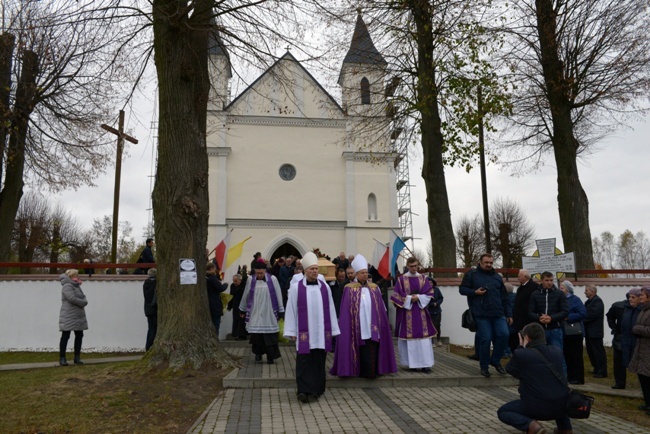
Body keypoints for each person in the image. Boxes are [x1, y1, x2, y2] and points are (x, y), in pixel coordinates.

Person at [284, 252, 340, 403]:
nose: (315, 271)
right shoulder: (296, 288)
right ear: (305, 270)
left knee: (318, 361)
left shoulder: (325, 288)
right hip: (304, 332)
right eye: (312, 269)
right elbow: (291, 309)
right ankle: (303, 390)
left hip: (321, 332)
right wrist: (291, 331)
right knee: (304, 361)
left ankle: (316, 389)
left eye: (316, 268)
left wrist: (333, 329)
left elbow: (331, 308)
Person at [497, 322, 572, 434]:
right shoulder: (557, 351)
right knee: (557, 395)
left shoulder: (522, 354)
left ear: (526, 337)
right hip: (562, 407)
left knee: (503, 411)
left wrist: (521, 347)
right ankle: (565, 429)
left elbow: (510, 369)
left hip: (537, 408)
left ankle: (532, 426)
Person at [330, 254, 397, 378]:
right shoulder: (349, 289)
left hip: (373, 324)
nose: (365, 275)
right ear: (356, 274)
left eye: (366, 272)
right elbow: (345, 309)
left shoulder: (374, 288)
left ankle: (374, 371)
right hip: (357, 324)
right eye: (362, 273)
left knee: (372, 347)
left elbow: (380, 308)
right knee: (359, 348)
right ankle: (356, 370)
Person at [459, 253, 512, 377]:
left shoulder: (497, 277)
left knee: (504, 334)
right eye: (486, 262)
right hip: (480, 314)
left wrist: (509, 314)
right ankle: (484, 366)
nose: (489, 265)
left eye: (491, 263)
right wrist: (475, 292)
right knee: (486, 339)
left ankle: (496, 360)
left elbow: (505, 297)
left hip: (498, 313)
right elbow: (462, 290)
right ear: (480, 262)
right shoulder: (472, 274)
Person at [390, 257, 436, 373]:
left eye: (415, 266)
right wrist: (410, 299)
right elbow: (396, 296)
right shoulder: (401, 280)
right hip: (407, 314)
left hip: (421, 314)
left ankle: (426, 364)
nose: (414, 268)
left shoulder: (423, 278)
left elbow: (430, 293)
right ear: (407, 266)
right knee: (410, 340)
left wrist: (419, 297)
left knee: (424, 340)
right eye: (411, 266)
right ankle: (412, 364)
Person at [239, 258, 284, 364]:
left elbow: (278, 294)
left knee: (270, 336)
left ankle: (270, 356)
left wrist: (281, 309)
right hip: (256, 311)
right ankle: (258, 354)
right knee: (257, 336)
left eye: (261, 273)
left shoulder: (272, 279)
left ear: (265, 271)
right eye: (257, 273)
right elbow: (246, 294)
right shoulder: (251, 279)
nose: (259, 275)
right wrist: (242, 308)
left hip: (269, 311)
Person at [528, 271, 568, 351]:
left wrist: (551, 318)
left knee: (557, 354)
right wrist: (539, 318)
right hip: (540, 330)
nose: (549, 282)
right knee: (540, 355)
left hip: (555, 329)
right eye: (547, 280)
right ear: (541, 281)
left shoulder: (560, 294)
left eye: (551, 280)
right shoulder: (535, 294)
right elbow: (530, 312)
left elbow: (565, 311)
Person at [58, 269, 88, 366]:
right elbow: (72, 298)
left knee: (79, 335)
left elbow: (83, 296)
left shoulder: (77, 286)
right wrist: (83, 303)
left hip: (78, 315)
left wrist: (84, 301)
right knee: (65, 336)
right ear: (72, 276)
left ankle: (77, 357)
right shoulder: (67, 286)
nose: (78, 277)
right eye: (77, 275)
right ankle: (62, 358)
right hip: (69, 315)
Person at [628, 286, 650, 415]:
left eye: (642, 295)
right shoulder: (643, 310)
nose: (640, 296)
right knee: (643, 377)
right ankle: (648, 403)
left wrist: (637, 329)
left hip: (648, 350)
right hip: (642, 348)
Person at [560, 281, 586, 385]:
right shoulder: (560, 300)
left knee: (576, 356)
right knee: (567, 355)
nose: (560, 290)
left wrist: (568, 317)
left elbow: (582, 313)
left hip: (574, 332)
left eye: (562, 288)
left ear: (567, 289)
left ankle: (578, 378)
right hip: (564, 332)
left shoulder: (575, 300)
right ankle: (570, 376)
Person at [510, 269, 539, 353]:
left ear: (525, 277)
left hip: (528, 320)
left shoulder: (534, 287)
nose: (517, 278)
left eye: (519, 276)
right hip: (519, 320)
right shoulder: (520, 288)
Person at [607, 291, 632, 389]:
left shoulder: (640, 308)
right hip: (620, 337)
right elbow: (609, 317)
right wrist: (614, 329)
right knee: (618, 361)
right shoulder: (618, 306)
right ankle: (620, 383)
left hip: (635, 337)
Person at [583, 285, 607, 378]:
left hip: (595, 331)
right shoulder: (588, 302)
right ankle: (596, 368)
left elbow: (593, 314)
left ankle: (602, 371)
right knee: (591, 351)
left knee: (598, 351)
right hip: (589, 331)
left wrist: (582, 318)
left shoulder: (597, 301)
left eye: (586, 290)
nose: (585, 292)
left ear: (593, 292)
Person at [620, 289, 642, 390]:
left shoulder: (642, 310)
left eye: (633, 297)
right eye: (629, 297)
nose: (630, 299)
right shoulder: (627, 309)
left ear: (639, 298)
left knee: (641, 367)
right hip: (627, 341)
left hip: (639, 343)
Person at [206, 262, 227, 337]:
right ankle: (215, 339)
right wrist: (225, 284)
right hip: (215, 304)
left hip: (208, 303)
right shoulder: (212, 278)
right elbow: (220, 288)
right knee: (216, 325)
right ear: (212, 269)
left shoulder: (205, 278)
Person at [228, 274, 247, 340]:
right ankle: (236, 334)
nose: (234, 282)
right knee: (236, 319)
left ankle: (242, 335)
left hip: (242, 304)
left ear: (240, 280)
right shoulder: (232, 286)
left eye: (236, 281)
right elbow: (231, 296)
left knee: (241, 320)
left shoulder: (244, 285)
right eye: (233, 281)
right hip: (235, 304)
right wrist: (229, 305)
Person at [426, 276, 444, 347]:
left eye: (431, 282)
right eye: (429, 283)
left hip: (437, 311)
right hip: (429, 311)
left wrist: (437, 303)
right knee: (430, 326)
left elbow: (441, 298)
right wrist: (430, 304)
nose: (430, 284)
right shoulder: (425, 291)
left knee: (437, 326)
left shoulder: (437, 290)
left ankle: (438, 340)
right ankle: (432, 341)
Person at [143, 268, 158, 351]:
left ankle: (148, 346)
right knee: (154, 328)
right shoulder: (156, 283)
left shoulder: (146, 283)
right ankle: (150, 346)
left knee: (150, 328)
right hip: (154, 308)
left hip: (147, 309)